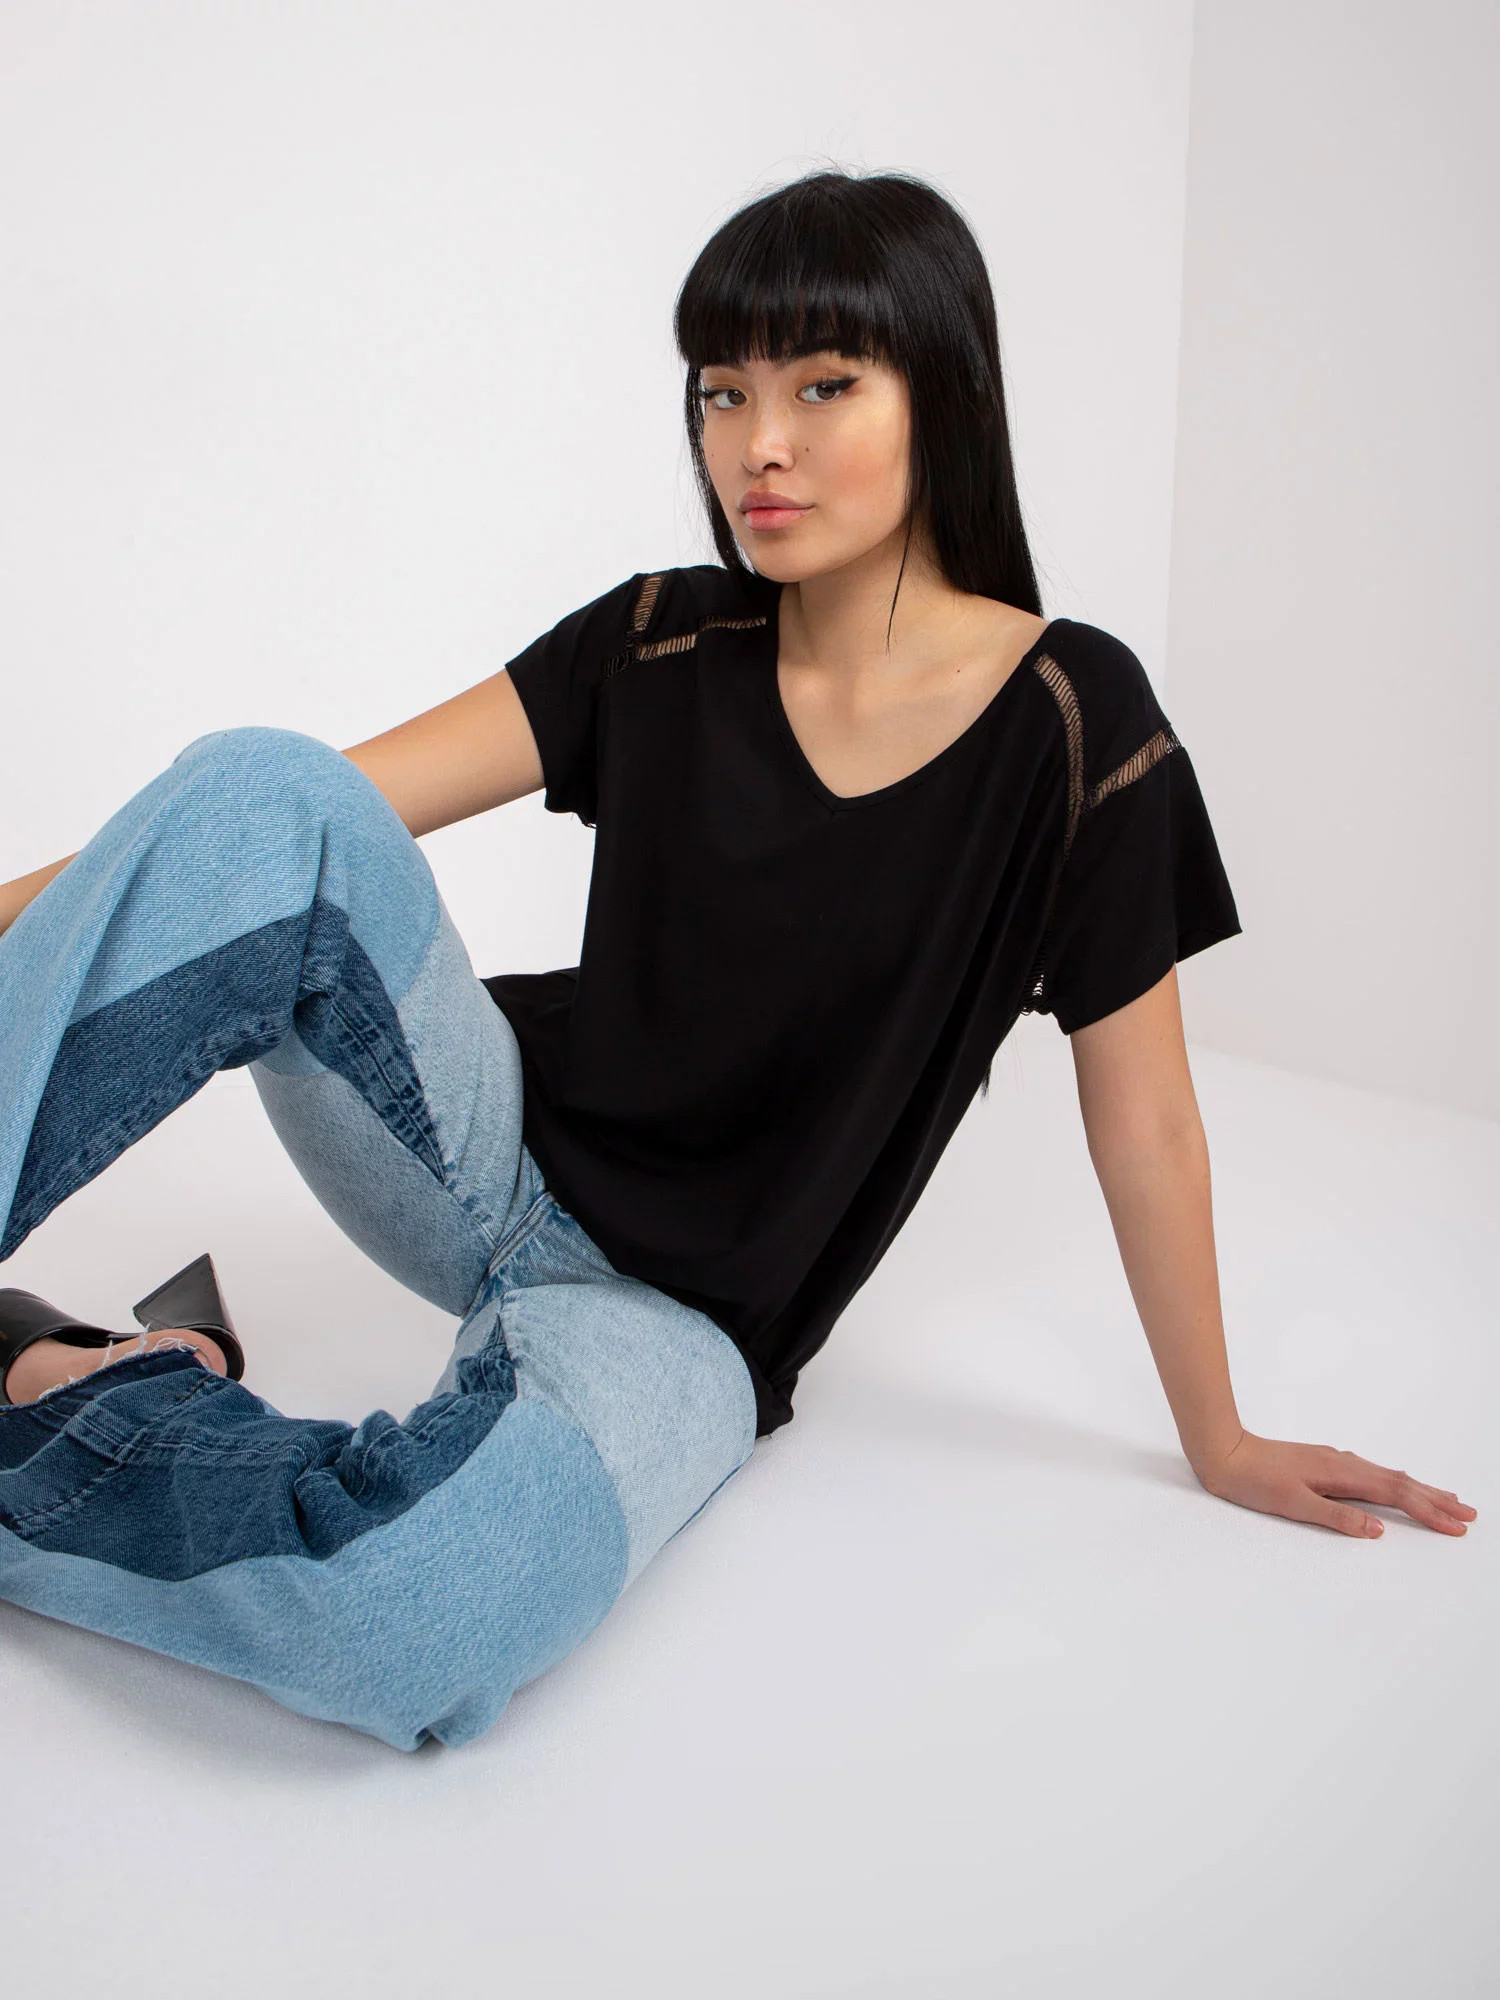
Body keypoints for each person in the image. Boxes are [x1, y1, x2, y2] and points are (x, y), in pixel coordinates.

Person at [0, 168, 1475, 1751]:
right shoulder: (658, 638)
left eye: (824, 385)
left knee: (415, 1622)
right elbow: (260, 841)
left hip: (681, 1328)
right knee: (269, 786)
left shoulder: (1070, 722)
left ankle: (72, 1391)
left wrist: (1219, 1438)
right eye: (723, 392)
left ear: (943, 393)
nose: (759, 443)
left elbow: (1153, 1122)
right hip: (475, 1151)